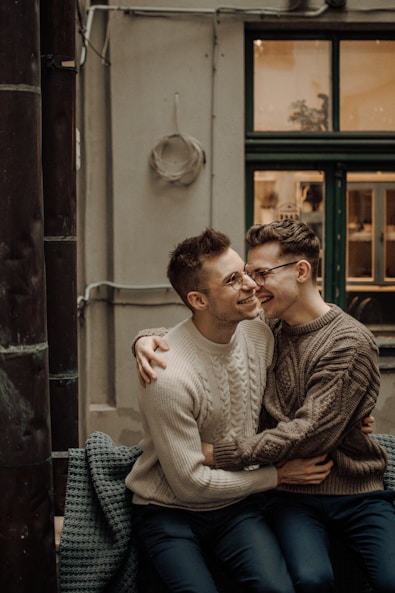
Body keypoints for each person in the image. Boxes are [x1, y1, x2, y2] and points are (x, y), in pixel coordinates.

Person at [134, 219, 395, 593]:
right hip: (217, 503)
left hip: (319, 495)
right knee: (302, 579)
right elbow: (201, 333)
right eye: (239, 277)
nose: (251, 285)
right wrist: (144, 340)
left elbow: (310, 429)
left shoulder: (299, 336)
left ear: (302, 271)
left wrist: (218, 453)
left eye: (256, 273)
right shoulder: (251, 334)